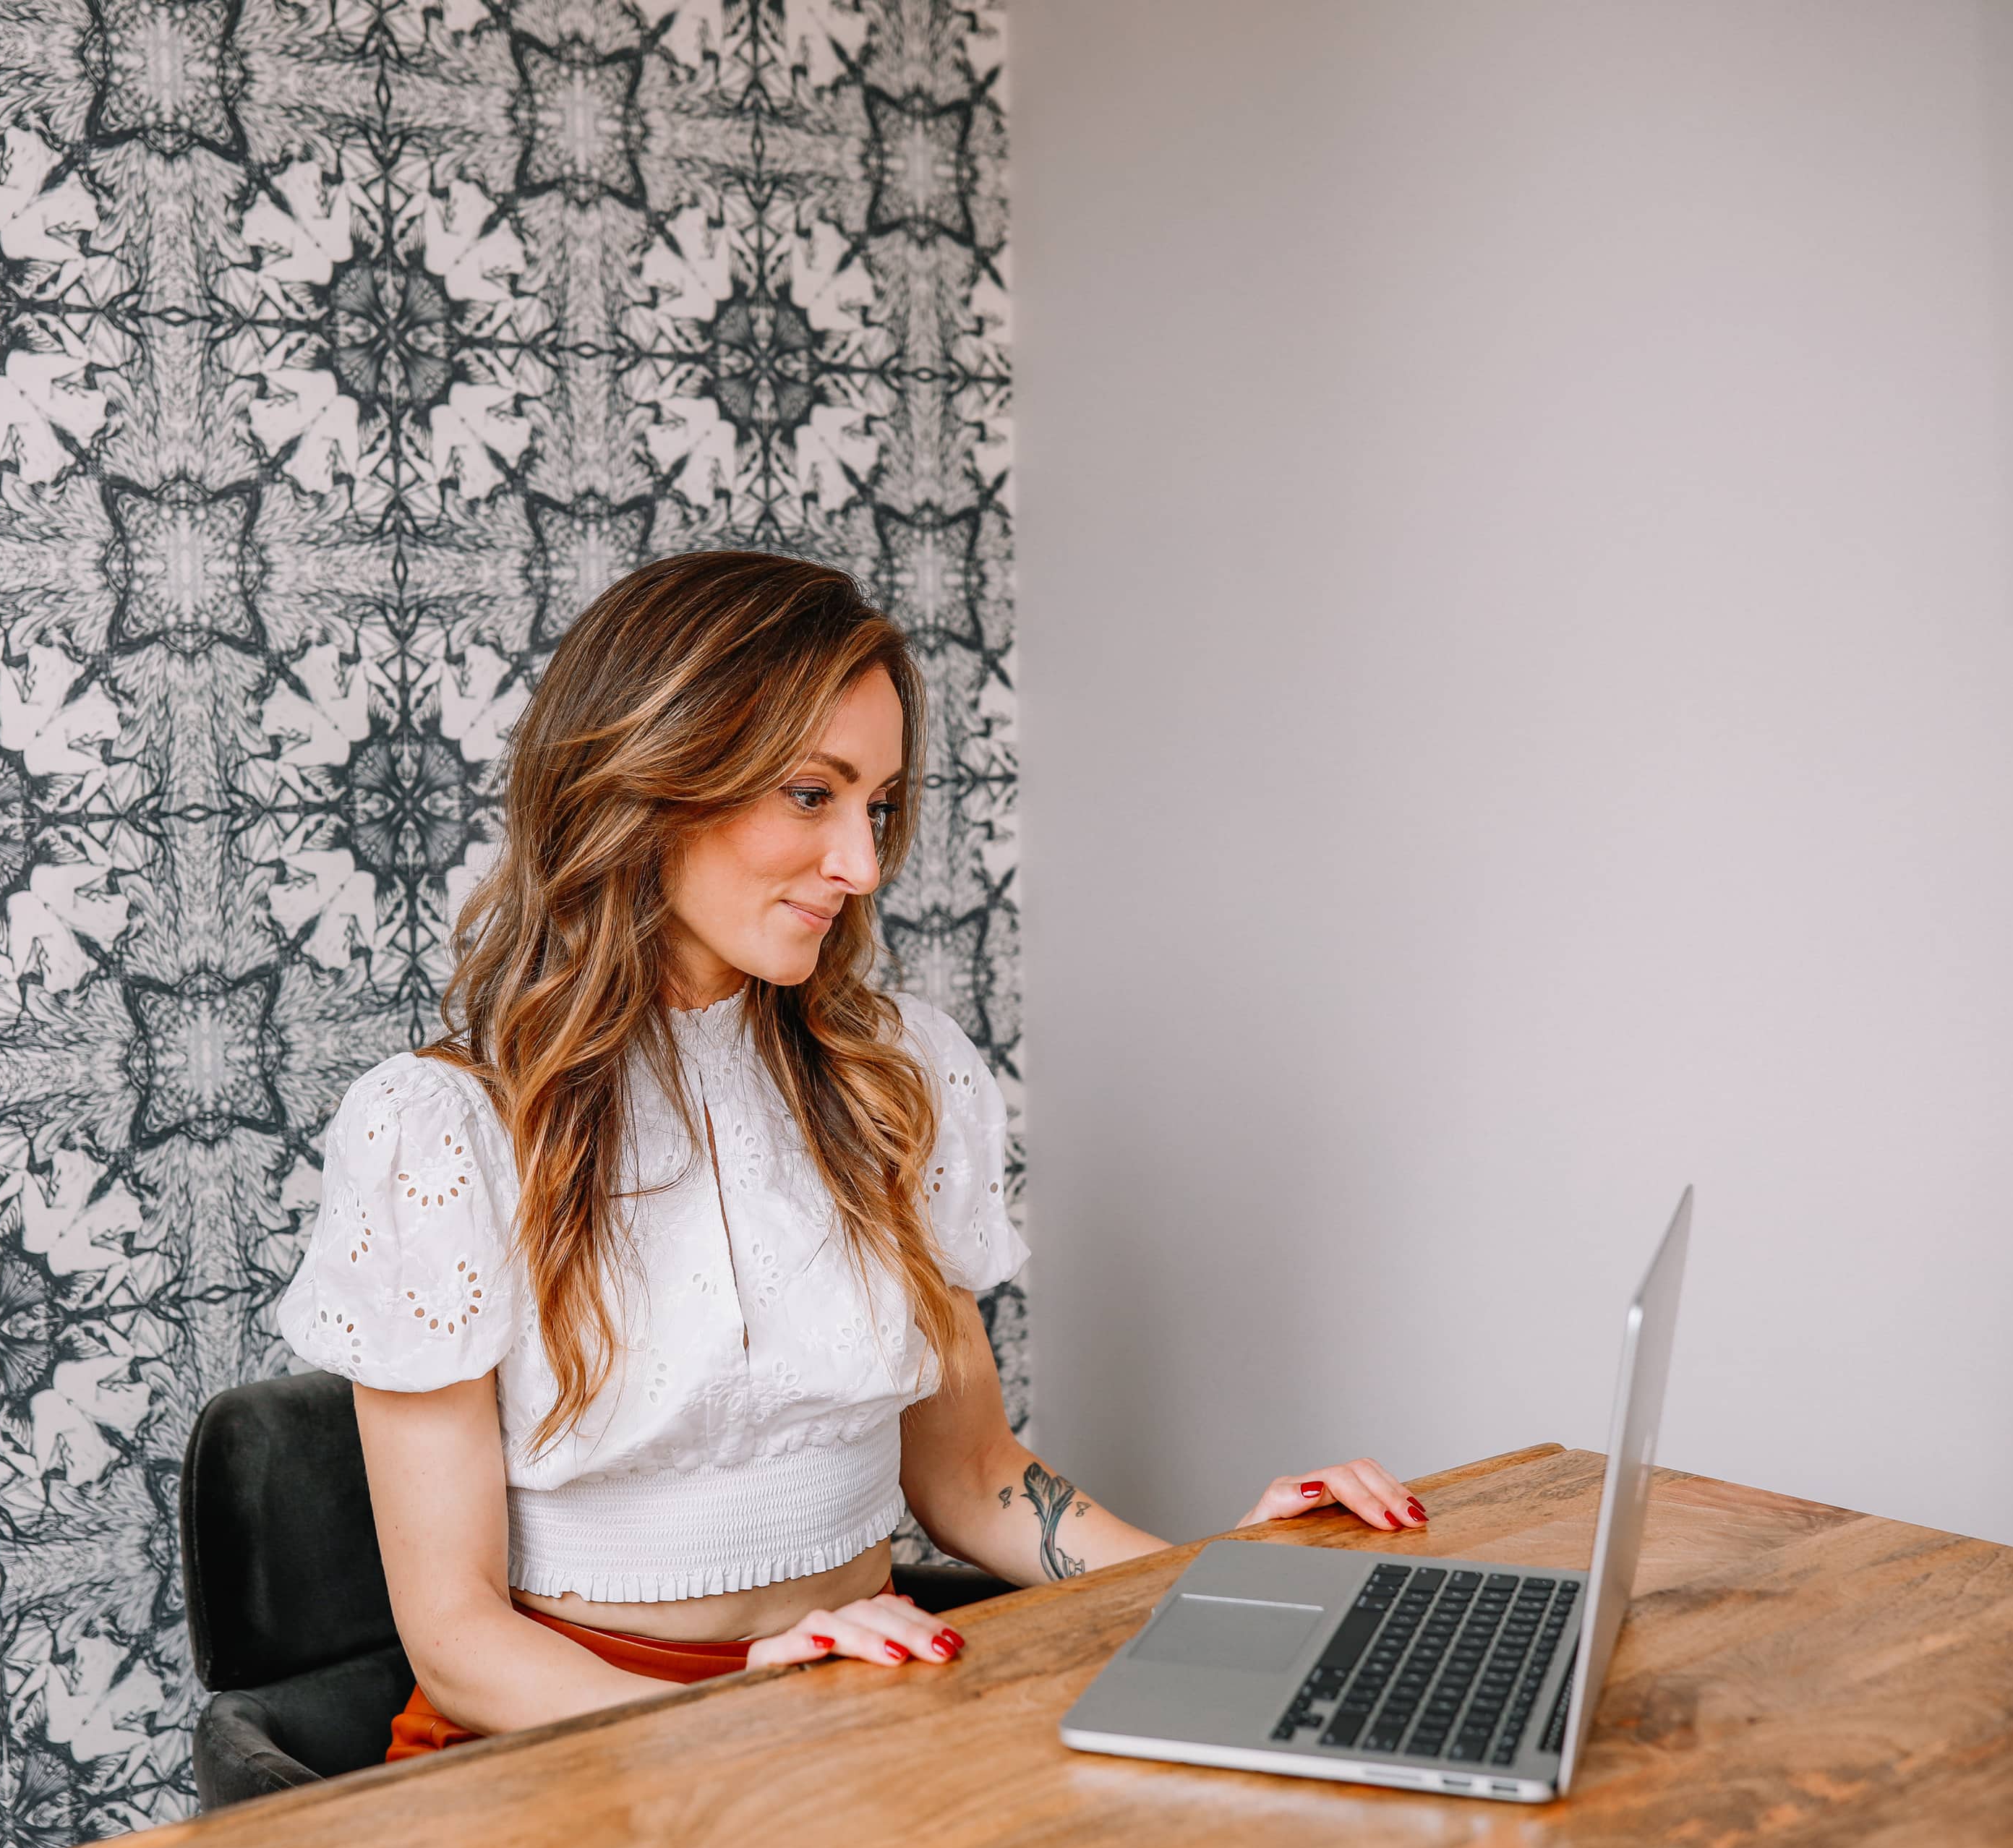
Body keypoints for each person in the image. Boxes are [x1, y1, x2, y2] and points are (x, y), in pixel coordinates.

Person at [273, 552, 1428, 1759]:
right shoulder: (439, 1130)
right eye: (812, 796)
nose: (863, 866)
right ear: (653, 780)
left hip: (854, 1712)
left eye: (874, 805)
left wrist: (1226, 1575)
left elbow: (973, 1474)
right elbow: (455, 1637)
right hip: (571, 1745)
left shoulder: (899, 1076)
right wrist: (720, 1724)